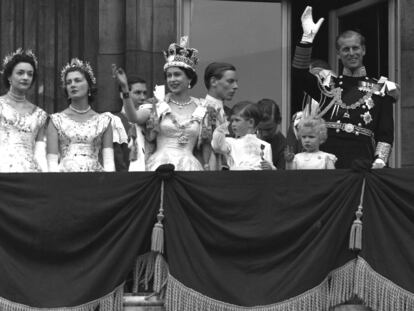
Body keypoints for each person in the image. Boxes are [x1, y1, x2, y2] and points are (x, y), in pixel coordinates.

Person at [292, 6, 398, 169]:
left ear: (363, 50)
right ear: (338, 54)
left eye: (355, 48)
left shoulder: (380, 89)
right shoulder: (327, 86)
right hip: (327, 164)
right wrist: (306, 40)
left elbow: (385, 135)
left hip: (362, 164)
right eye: (345, 49)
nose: (351, 53)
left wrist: (379, 161)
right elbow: (299, 75)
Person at [114, 36, 207, 171]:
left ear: (190, 79)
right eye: (169, 76)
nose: (172, 79)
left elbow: (206, 147)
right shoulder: (157, 105)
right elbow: (133, 117)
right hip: (159, 166)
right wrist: (125, 89)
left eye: (177, 74)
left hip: (190, 168)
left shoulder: (202, 108)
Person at [46, 58, 115, 172]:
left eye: (77, 80)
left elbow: (109, 163)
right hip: (64, 181)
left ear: (89, 86)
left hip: (96, 181)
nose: (72, 85)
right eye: (69, 82)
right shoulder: (56, 120)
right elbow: (51, 163)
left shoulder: (104, 121)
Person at [0, 48, 48, 172]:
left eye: (30, 74)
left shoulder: (40, 115)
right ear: (9, 76)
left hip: (31, 175)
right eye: (20, 73)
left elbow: (40, 152)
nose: (25, 77)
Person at [211, 101, 275, 170]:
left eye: (237, 120)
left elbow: (270, 170)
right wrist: (221, 127)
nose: (233, 124)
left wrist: (270, 168)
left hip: (258, 179)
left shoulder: (266, 145)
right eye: (232, 121)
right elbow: (217, 146)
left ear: (251, 122)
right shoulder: (230, 142)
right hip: (237, 178)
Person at [202, 62, 238, 170]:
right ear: (213, 81)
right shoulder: (198, 110)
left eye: (236, 82)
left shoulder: (233, 114)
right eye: (230, 81)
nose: (236, 86)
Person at [256, 98, 287, 169]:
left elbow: (283, 177)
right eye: (260, 129)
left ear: (279, 121)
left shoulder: (284, 147)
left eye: (268, 129)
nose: (264, 134)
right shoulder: (245, 139)